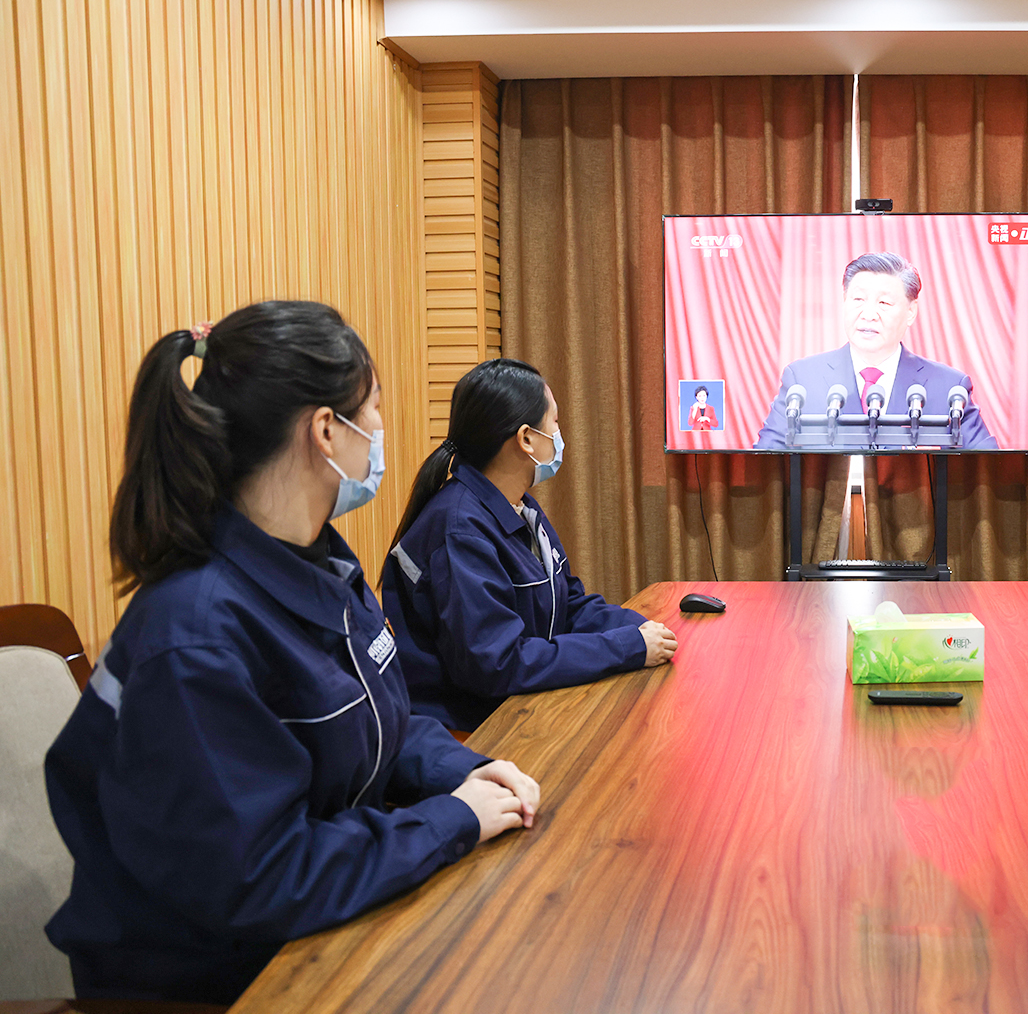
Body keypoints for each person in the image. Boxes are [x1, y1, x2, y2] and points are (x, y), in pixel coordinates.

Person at [44, 303, 540, 1005]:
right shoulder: (195, 634)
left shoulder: (319, 565)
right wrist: (451, 819)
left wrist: (469, 768)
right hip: (220, 982)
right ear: (325, 431)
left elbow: (378, 723)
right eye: (372, 411)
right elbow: (263, 877)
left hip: (318, 931)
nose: (379, 436)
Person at [383, 359, 678, 733]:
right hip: (470, 730)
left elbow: (569, 605)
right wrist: (627, 648)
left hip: (522, 703)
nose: (559, 433)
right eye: (554, 422)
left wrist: (649, 631)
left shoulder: (518, 506)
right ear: (526, 439)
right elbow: (498, 663)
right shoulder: (460, 530)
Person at [753, 251, 999, 449]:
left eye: (884, 303)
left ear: (911, 312)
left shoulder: (948, 387)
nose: (868, 315)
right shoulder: (803, 380)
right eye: (858, 300)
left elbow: (986, 467)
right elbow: (765, 461)